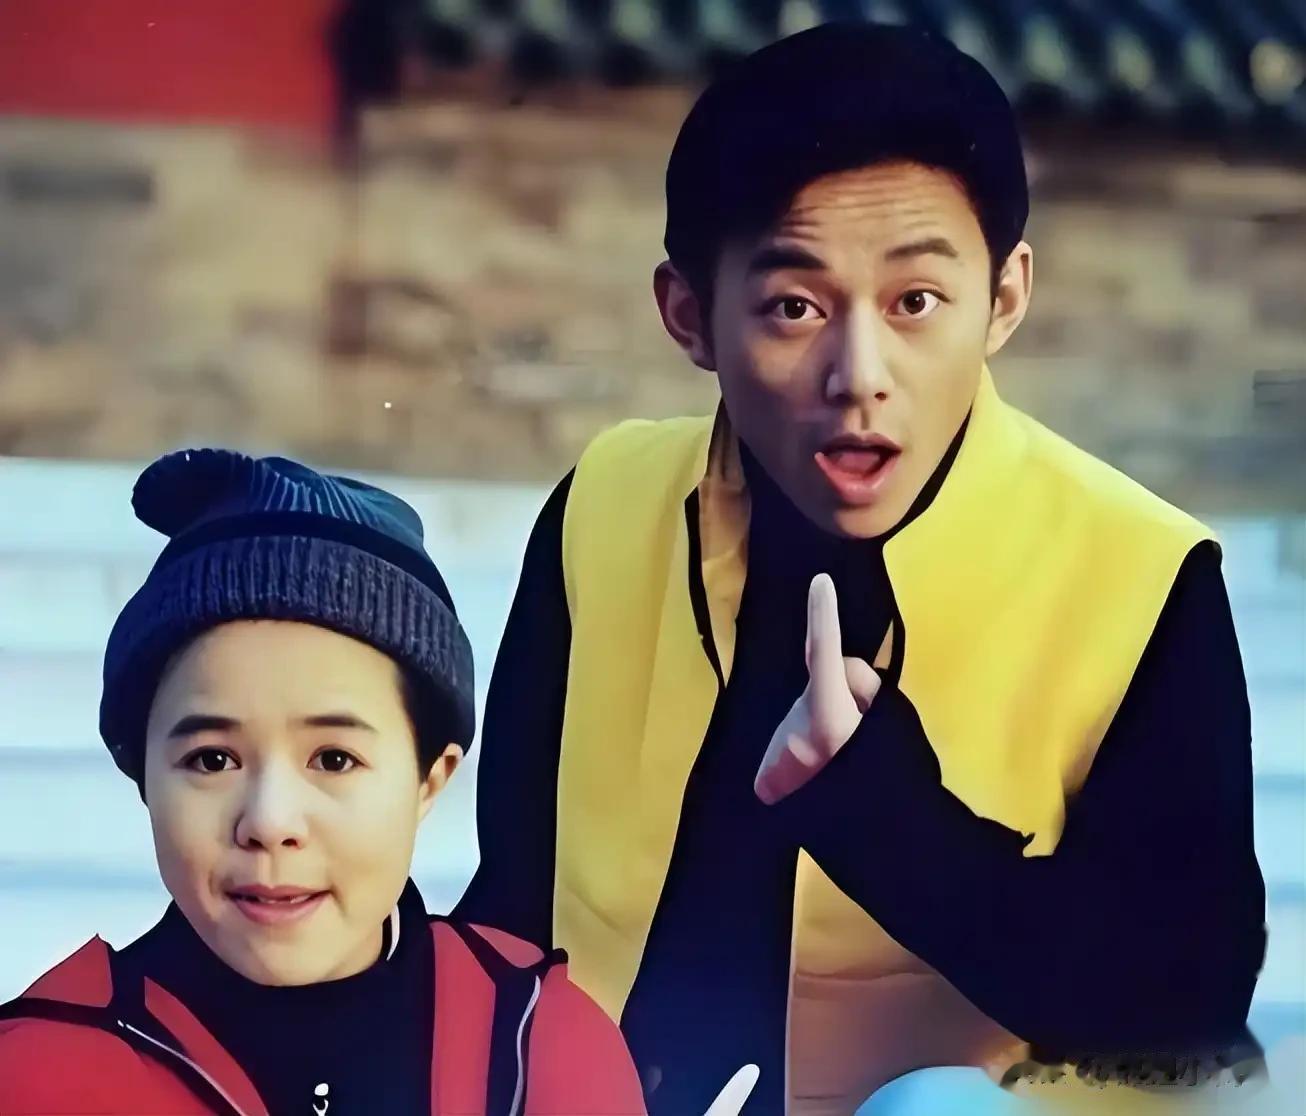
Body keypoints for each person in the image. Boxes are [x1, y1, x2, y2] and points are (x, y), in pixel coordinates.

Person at [454, 21, 1268, 1116]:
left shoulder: (1141, 577)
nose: (859, 374)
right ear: (690, 316)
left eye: (915, 302)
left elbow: (1189, 1017)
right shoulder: (604, 509)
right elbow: (511, 902)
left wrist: (890, 817)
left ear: (1004, 297)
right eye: (794, 307)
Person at [0, 448, 648, 1115]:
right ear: (140, 771)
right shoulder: (39, 1076)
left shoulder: (540, 1047)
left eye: (333, 759)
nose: (270, 822)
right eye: (212, 760)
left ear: (430, 779)